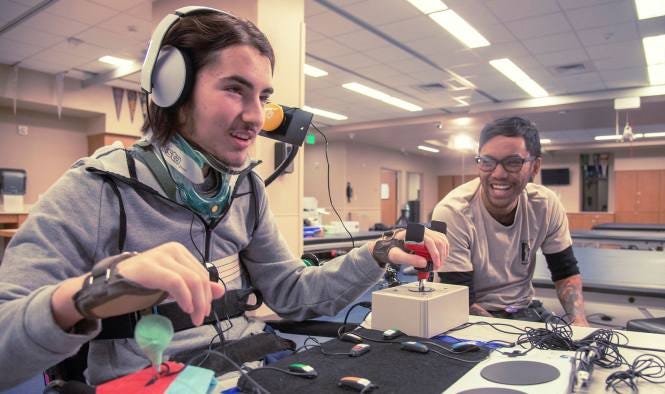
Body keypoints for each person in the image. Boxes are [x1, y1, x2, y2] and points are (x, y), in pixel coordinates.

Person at [0, 7, 448, 389]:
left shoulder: (245, 190)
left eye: (264, 97)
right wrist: (82, 296)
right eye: (235, 89)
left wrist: (376, 253)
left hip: (254, 368)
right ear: (171, 88)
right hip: (154, 380)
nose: (256, 118)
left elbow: (292, 293)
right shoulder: (97, 189)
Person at [433, 116, 588, 326]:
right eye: (487, 162)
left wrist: (579, 323)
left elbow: (565, 272)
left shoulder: (545, 205)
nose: (498, 174)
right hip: (470, 316)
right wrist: (516, 336)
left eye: (513, 162)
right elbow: (461, 299)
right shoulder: (453, 212)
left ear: (535, 167)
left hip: (525, 308)